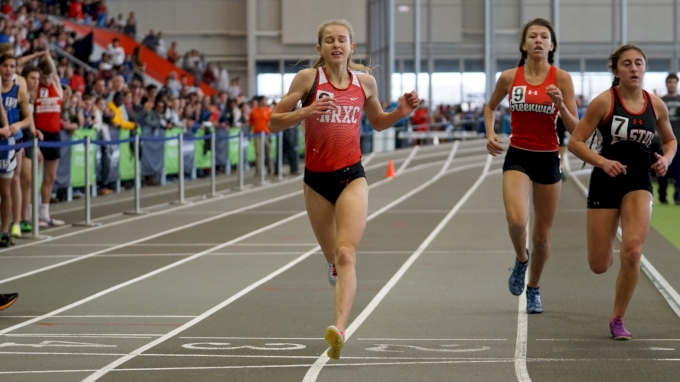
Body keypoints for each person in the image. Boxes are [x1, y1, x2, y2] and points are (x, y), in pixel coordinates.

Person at [268, 19, 419, 360]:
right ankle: (333, 269)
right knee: (333, 259)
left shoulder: (365, 83)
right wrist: (306, 110)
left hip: (352, 176)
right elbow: (273, 121)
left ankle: (338, 328)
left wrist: (401, 112)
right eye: (329, 40)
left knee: (346, 253)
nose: (336, 45)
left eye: (343, 40)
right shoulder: (308, 79)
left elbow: (378, 122)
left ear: (352, 48)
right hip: (316, 182)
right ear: (320, 49)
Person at [567, 45, 677, 340]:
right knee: (599, 264)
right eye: (626, 64)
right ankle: (607, 239)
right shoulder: (603, 102)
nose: (633, 68)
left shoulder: (656, 105)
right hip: (605, 181)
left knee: (632, 251)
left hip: (638, 181)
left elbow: (670, 141)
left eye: (638, 63)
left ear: (645, 68)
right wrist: (604, 162)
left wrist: (665, 160)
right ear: (615, 70)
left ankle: (617, 318)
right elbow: (575, 143)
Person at [484, 18, 578, 313]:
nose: (538, 40)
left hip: (549, 158)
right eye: (533, 36)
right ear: (524, 45)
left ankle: (534, 289)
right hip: (519, 155)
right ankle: (520, 260)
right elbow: (490, 107)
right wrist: (490, 133)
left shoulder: (561, 79)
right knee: (516, 221)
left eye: (544, 37)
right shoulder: (510, 77)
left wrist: (561, 105)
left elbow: (577, 129)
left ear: (552, 45)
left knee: (542, 237)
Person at [1, 55, 32, 241]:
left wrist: (18, 125)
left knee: (11, 183)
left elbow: (28, 117)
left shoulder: (19, 90)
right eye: (5, 65)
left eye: (12, 66)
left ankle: (13, 225)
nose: (9, 69)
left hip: (13, 142)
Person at [34, 54, 64, 226]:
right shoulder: (35, 87)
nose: (47, 80)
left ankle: (45, 213)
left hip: (54, 135)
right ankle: (33, 213)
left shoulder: (56, 86)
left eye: (49, 76)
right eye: (43, 77)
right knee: (34, 178)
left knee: (50, 177)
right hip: (40, 135)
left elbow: (53, 71)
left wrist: (47, 55)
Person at [19, 64, 43, 233]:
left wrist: (35, 132)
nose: (36, 82)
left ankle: (24, 217)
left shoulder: (32, 97)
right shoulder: (20, 95)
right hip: (19, 139)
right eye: (32, 78)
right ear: (24, 79)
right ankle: (19, 218)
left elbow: (31, 120)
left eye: (37, 79)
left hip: (30, 139)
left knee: (28, 182)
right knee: (24, 180)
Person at [655, 73, 680, 204]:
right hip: (663, 141)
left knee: (679, 171)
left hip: (678, 141)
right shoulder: (660, 101)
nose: (672, 84)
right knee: (662, 169)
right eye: (669, 82)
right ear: (666, 84)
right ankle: (662, 196)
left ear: (677, 84)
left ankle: (678, 197)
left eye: (674, 82)